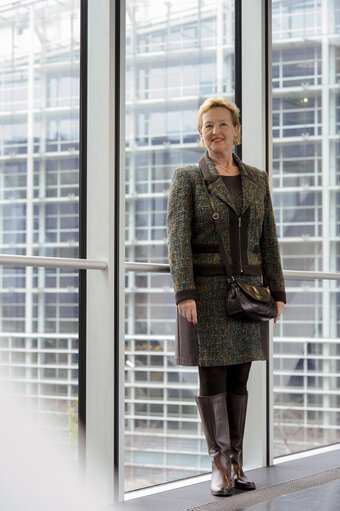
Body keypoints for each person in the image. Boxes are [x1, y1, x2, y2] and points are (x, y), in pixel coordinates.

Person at [166, 97, 286, 497]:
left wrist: (278, 290)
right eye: (207, 127)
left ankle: (236, 461)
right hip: (208, 293)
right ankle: (217, 463)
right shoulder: (187, 177)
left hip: (251, 292)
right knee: (212, 375)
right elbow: (178, 240)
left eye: (222, 125)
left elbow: (268, 239)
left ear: (236, 130)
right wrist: (185, 291)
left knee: (240, 376)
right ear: (201, 134)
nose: (215, 132)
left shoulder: (256, 179)